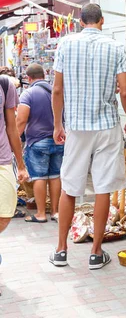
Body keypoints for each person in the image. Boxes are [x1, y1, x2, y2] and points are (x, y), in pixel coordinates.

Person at [50, 3, 126, 270]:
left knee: (70, 187)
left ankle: (61, 250)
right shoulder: (116, 47)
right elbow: (124, 91)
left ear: (80, 21)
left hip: (76, 126)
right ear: (101, 21)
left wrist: (57, 125)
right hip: (107, 125)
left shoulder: (65, 45)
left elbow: (57, 90)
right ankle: (96, 253)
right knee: (103, 188)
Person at [17, 63, 63, 223]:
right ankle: (55, 212)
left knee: (39, 177)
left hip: (37, 141)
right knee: (56, 176)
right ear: (43, 75)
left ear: (29, 78)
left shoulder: (28, 94)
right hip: (58, 140)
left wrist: (15, 139)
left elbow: (21, 119)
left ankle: (41, 213)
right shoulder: (55, 91)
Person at [0, 72, 29, 295]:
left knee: (5, 214)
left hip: (2, 160)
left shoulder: (4, 84)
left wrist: (20, 164)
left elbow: (12, 126)